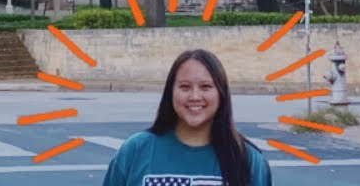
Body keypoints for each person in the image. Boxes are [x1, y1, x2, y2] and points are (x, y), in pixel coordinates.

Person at [102, 49, 273, 186]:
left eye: (206, 86)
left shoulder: (248, 160)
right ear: (171, 92)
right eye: (185, 87)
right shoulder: (135, 151)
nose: (195, 96)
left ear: (221, 94)